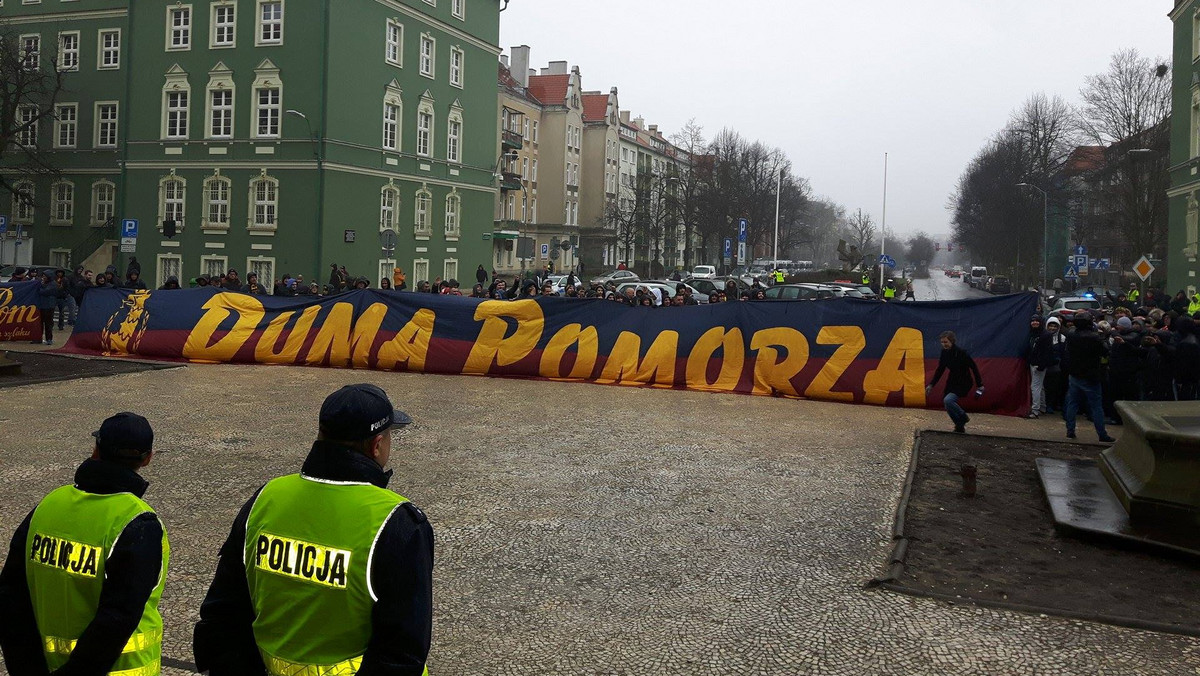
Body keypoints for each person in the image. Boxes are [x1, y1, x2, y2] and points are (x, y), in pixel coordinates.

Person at [193, 385, 431, 676]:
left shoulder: (266, 498)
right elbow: (402, 652)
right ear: (377, 445)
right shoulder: (396, 522)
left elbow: (223, 613)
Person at [0, 413, 167, 676]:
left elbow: (10, 595)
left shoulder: (46, 507)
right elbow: (117, 618)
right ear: (147, 459)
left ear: (96, 450)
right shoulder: (139, 522)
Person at [1063, 311, 1116, 442]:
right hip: (1091, 375)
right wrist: (1102, 336)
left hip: (1075, 373)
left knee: (1072, 403)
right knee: (1096, 406)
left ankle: (1070, 430)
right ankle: (1102, 434)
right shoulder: (1095, 337)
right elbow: (1105, 351)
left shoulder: (1071, 334)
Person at [926, 331, 984, 434]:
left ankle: (963, 417)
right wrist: (931, 385)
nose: (944, 344)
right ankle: (959, 426)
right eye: (942, 342)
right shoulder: (944, 353)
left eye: (946, 342)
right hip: (952, 381)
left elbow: (974, 367)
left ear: (952, 341)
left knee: (948, 401)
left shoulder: (962, 353)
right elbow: (940, 370)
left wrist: (980, 385)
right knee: (947, 405)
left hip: (964, 382)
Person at [33, 270, 61, 345]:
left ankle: (49, 339)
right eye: (43, 276)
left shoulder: (53, 284)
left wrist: (39, 288)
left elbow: (45, 292)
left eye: (45, 276)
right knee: (39, 323)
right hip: (42, 305)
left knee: (48, 323)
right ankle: (38, 338)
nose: (43, 277)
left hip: (49, 306)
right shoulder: (45, 283)